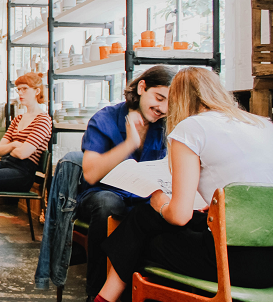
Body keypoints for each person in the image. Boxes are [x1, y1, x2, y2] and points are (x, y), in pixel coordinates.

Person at [95, 67, 273, 301]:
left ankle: (104, 296)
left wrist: (159, 202)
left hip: (230, 263)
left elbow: (179, 216)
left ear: (177, 99)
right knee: (144, 221)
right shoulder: (263, 125)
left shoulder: (192, 128)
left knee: (145, 231)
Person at [75, 65, 175, 299]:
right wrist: (129, 144)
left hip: (145, 198)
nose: (162, 108)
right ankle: (97, 293)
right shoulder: (105, 118)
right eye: (159, 98)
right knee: (110, 205)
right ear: (142, 87)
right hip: (102, 196)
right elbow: (90, 174)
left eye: (170, 103)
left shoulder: (166, 126)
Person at [0, 72, 52, 246]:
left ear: (37, 91)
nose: (20, 93)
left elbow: (24, 154)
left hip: (23, 172)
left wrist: (15, 146)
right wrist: (14, 145)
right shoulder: (18, 118)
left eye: (25, 89)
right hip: (6, 164)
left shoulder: (43, 120)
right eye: (18, 89)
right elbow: (0, 149)